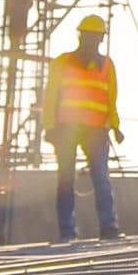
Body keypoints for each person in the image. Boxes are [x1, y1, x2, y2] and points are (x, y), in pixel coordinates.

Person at [42, 14, 125, 242]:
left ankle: (109, 228)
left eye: (96, 37)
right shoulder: (62, 62)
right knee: (66, 179)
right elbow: (50, 97)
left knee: (101, 177)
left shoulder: (107, 66)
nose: (91, 41)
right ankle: (67, 232)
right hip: (65, 129)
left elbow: (111, 100)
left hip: (96, 130)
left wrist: (116, 126)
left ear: (100, 39)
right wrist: (50, 126)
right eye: (88, 36)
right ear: (80, 36)